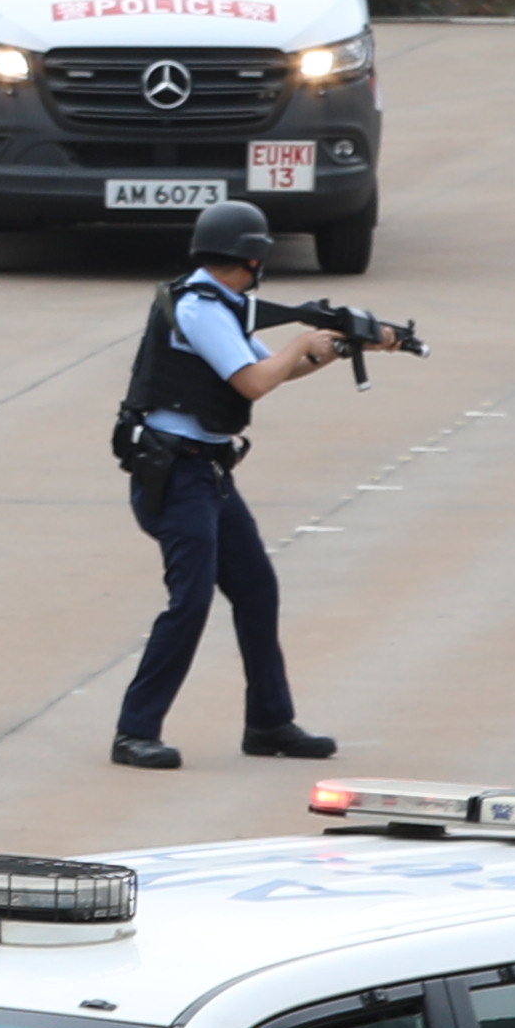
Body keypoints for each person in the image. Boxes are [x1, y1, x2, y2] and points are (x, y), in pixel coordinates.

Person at [108, 200, 357, 773]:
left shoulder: (221, 303)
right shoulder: (200, 308)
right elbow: (253, 382)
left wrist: (338, 347)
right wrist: (299, 343)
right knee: (190, 602)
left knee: (256, 590)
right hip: (177, 475)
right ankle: (134, 731)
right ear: (252, 257)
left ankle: (269, 722)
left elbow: (274, 369)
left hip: (208, 471)